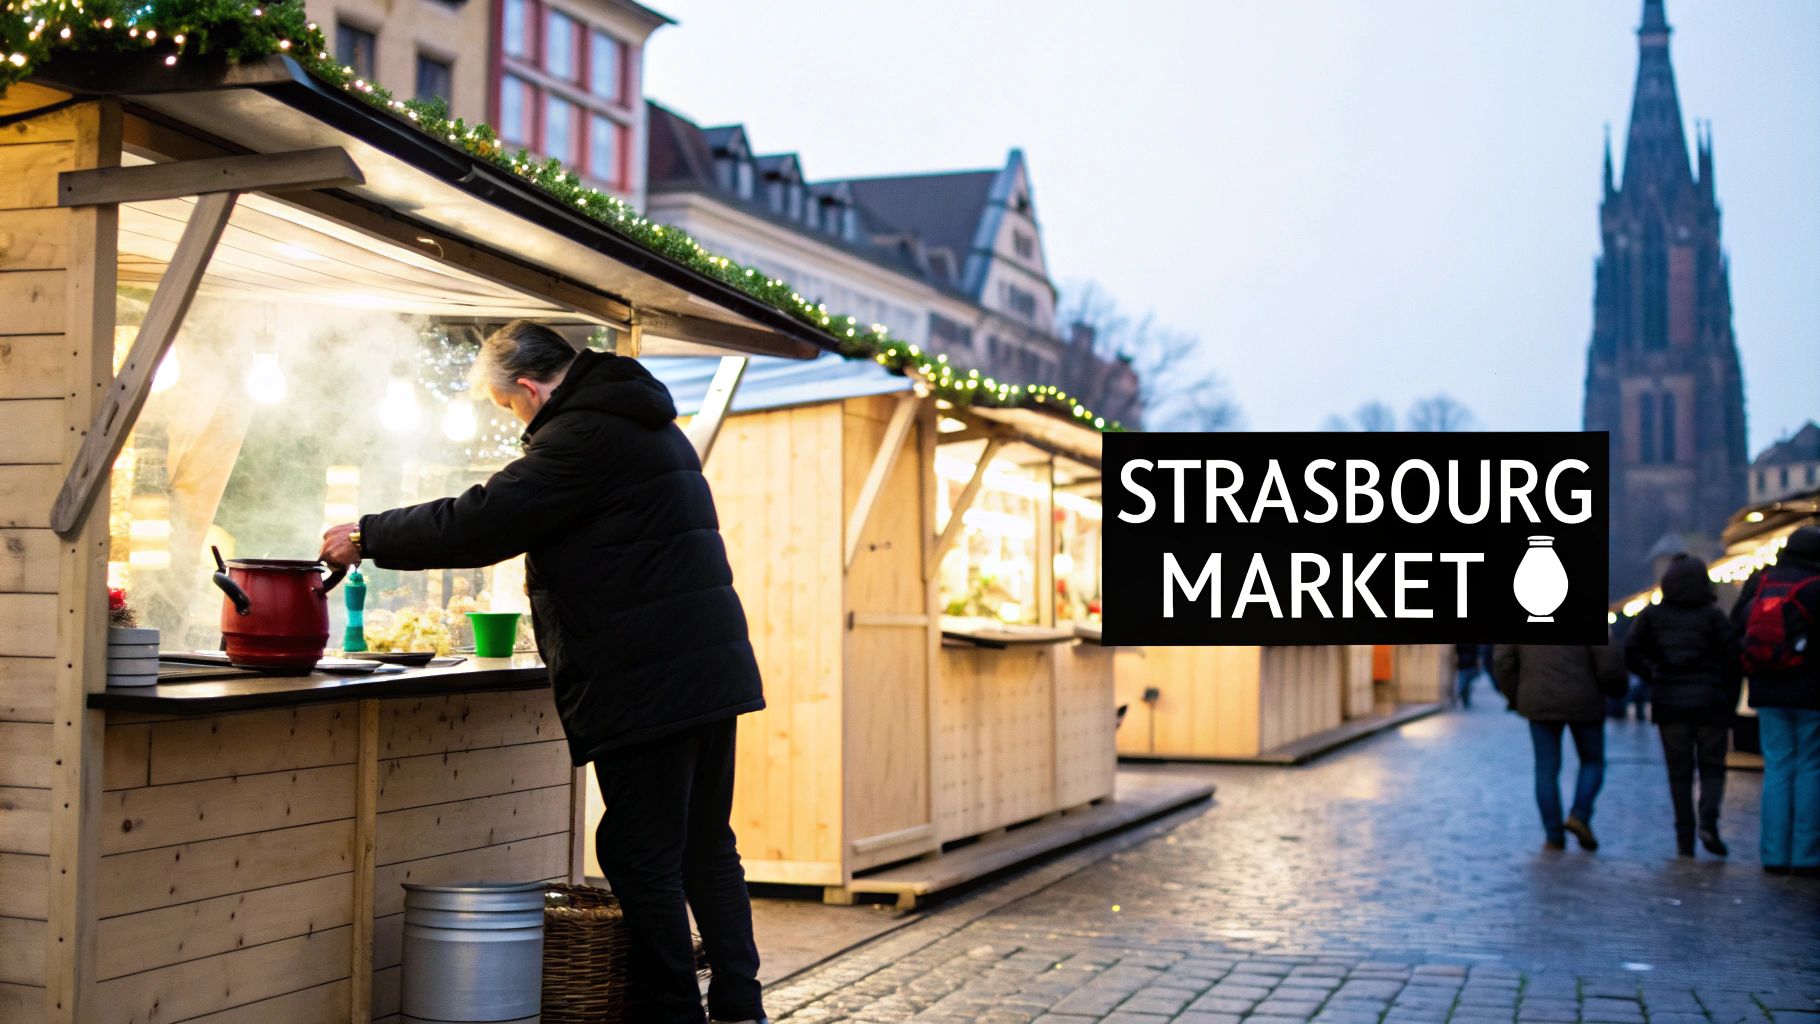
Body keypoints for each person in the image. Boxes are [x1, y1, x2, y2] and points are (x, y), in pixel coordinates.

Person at [322, 320, 769, 1024]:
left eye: (508, 409)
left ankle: (672, 1011)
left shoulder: (584, 436)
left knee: (640, 849)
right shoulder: (643, 421)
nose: (515, 423)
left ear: (529, 389)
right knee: (704, 842)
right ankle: (740, 1003)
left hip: (648, 677)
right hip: (704, 669)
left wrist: (367, 535)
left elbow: (484, 522)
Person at [1624, 553, 1741, 857]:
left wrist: (1655, 674)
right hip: (1710, 703)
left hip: (1670, 703)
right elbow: (1732, 658)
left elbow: (1632, 652)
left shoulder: (1652, 615)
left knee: (1679, 773)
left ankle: (1684, 838)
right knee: (1713, 767)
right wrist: (1725, 696)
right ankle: (1709, 822)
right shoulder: (1713, 615)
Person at [1728, 525, 1820, 877]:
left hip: (1766, 689)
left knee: (1778, 768)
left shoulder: (1762, 581)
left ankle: (1773, 853)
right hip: (1811, 691)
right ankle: (1807, 855)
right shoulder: (1815, 586)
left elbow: (1738, 627)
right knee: (1810, 767)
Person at [1493, 641, 1627, 851]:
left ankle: (1553, 835)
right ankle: (1579, 815)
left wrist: (1516, 694)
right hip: (1586, 698)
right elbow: (1608, 661)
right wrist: (1617, 690)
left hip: (1538, 699)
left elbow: (1502, 660)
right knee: (1592, 761)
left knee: (1546, 768)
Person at [1453, 643, 1484, 708]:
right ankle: (1462, 699)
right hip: (1466, 666)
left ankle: (1463, 700)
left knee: (1465, 684)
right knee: (1464, 684)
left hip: (1466, 666)